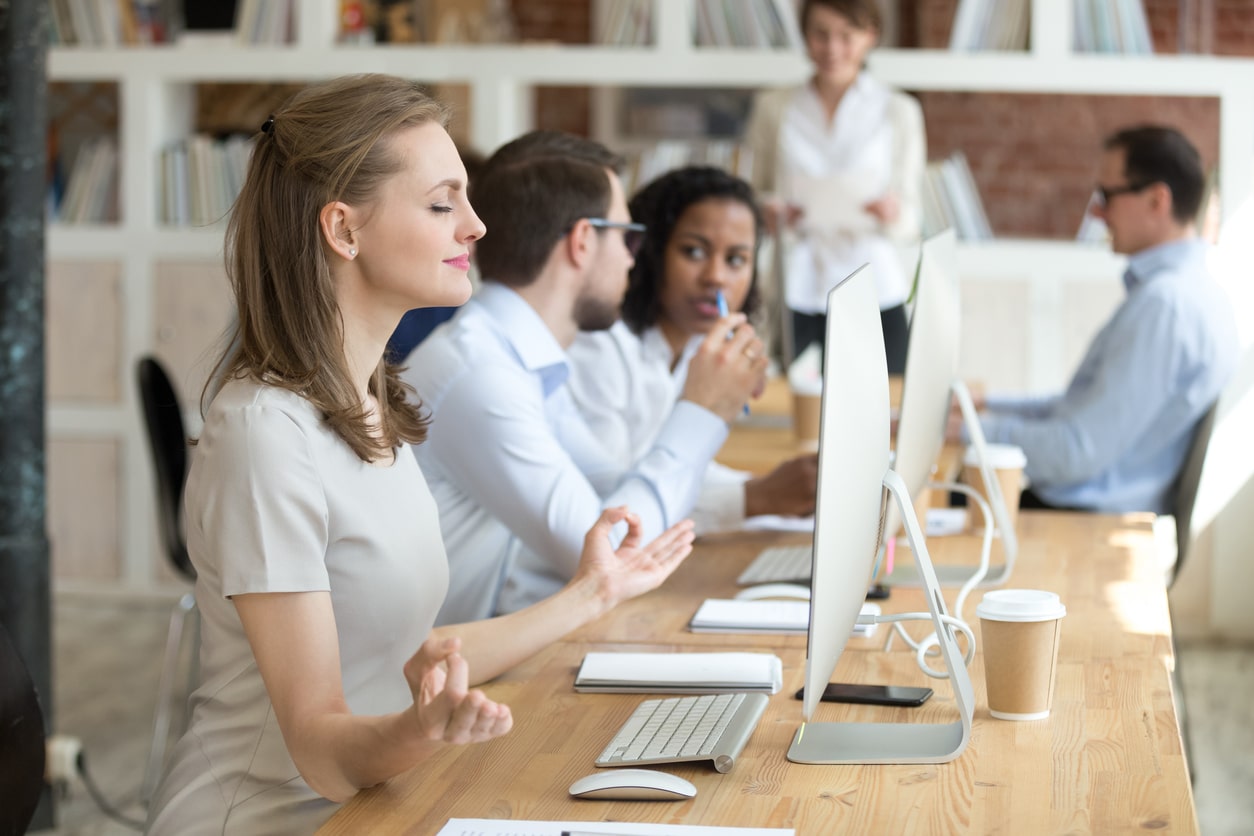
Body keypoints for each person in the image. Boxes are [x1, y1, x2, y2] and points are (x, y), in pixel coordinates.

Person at [145, 75, 696, 834]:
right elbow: (318, 743)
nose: (474, 226)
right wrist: (422, 729)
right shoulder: (264, 436)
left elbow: (417, 653)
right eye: (443, 204)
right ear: (343, 230)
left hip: (373, 805)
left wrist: (593, 593)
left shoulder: (372, 403)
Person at [403, 131, 767, 625]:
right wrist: (701, 412)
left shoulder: (522, 360)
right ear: (582, 241)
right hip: (451, 678)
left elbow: (609, 495)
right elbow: (609, 558)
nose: (633, 258)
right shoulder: (482, 376)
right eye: (626, 237)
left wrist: (708, 413)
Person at [961, 125, 1238, 514]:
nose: (1096, 211)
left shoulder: (1165, 306)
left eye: (1107, 196)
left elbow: (1076, 450)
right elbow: (1078, 407)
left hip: (1083, 516)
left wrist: (964, 433)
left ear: (1157, 200)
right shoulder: (1191, 291)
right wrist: (985, 406)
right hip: (1090, 503)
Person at [566, 165, 818, 534]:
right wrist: (757, 497)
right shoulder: (599, 347)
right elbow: (616, 506)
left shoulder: (697, 346)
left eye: (736, 259)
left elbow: (689, 469)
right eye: (694, 251)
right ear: (650, 253)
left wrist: (790, 490)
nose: (716, 276)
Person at [742, 0, 925, 372]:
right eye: (820, 35)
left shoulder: (899, 111)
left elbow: (911, 220)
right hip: (798, 280)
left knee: (886, 401)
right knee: (790, 399)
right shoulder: (773, 107)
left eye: (847, 36)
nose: (832, 49)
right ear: (805, 37)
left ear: (871, 36)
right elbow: (750, 195)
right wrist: (769, 210)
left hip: (874, 282)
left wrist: (893, 213)